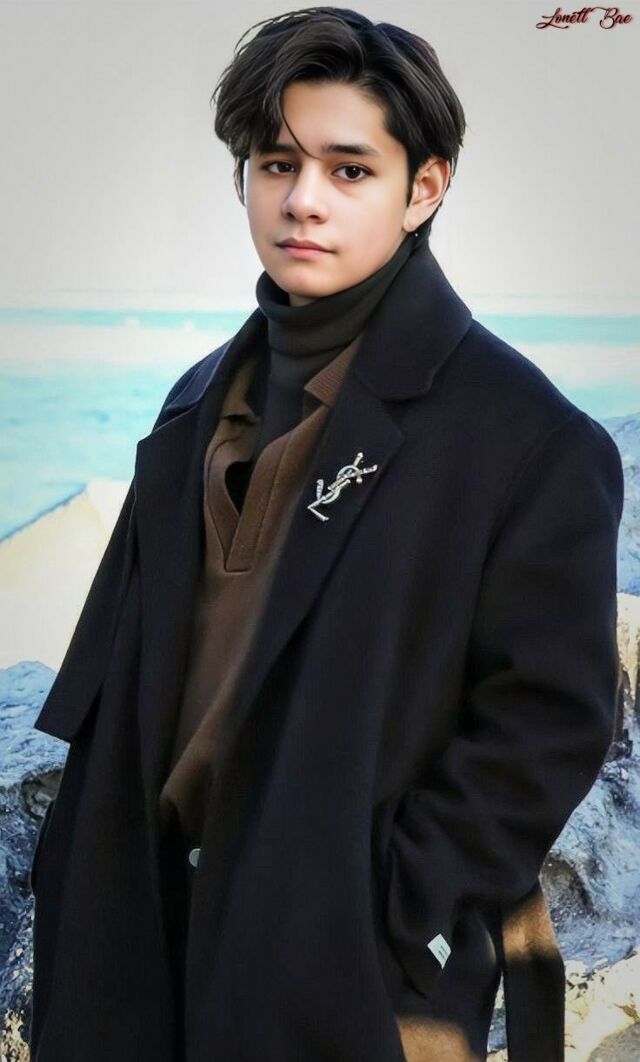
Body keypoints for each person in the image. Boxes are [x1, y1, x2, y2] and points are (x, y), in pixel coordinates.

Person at [29, 7, 624, 1062]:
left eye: (350, 170)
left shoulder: (526, 439)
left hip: (342, 981)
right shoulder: (193, 405)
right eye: (276, 164)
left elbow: (549, 721)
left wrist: (390, 911)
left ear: (424, 188)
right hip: (137, 950)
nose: (302, 200)